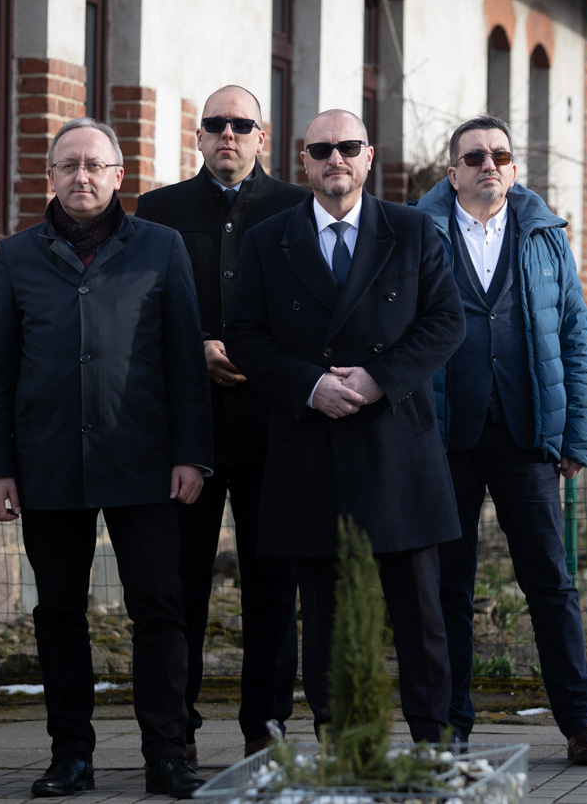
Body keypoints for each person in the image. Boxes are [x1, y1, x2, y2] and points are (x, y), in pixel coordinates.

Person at [0, 117, 212, 799]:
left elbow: (185, 364)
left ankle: (166, 754)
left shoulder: (161, 248)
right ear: (50, 175)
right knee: (58, 613)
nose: (82, 176)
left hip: (144, 462)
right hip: (47, 462)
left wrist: (192, 455)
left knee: (159, 608)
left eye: (94, 165)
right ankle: (70, 756)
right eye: (69, 165)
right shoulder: (16, 256)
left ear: (118, 176)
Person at [223, 108, 465, 743]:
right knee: (328, 616)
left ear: (368, 156)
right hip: (311, 449)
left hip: (397, 446)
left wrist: (378, 379)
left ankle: (431, 741)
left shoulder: (412, 230)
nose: (336, 159)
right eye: (322, 149)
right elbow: (244, 335)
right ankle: (341, 742)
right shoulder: (268, 239)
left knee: (420, 613)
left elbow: (446, 321)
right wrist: (311, 386)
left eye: (348, 147)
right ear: (303, 161)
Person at [412, 116, 587, 765]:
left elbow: (575, 335)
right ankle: (450, 728)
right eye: (474, 157)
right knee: (448, 588)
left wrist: (579, 433)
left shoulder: (545, 235)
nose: (488, 165)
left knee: (551, 582)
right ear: (453, 173)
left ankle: (581, 722)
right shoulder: (418, 232)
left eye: (500, 155)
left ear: (514, 169)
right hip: (446, 438)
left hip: (528, 436)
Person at [134, 86, 303, 763]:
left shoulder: (296, 208)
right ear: (198, 136)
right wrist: (196, 347)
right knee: (179, 586)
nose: (227, 134)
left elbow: (313, 308)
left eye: (241, 124)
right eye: (215, 124)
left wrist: (263, 357)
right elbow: (140, 310)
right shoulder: (159, 211)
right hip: (188, 430)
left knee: (273, 584)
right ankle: (174, 728)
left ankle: (266, 723)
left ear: (263, 136)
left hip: (274, 429)